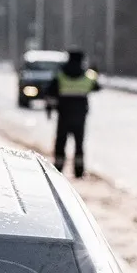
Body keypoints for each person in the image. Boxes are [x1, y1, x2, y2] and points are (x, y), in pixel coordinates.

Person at [44, 49, 101, 178]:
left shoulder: (61, 75)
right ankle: (79, 170)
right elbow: (96, 87)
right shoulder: (87, 76)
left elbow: (50, 93)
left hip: (64, 115)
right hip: (80, 116)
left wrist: (49, 109)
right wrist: (95, 72)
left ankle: (58, 168)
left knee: (61, 142)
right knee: (79, 143)